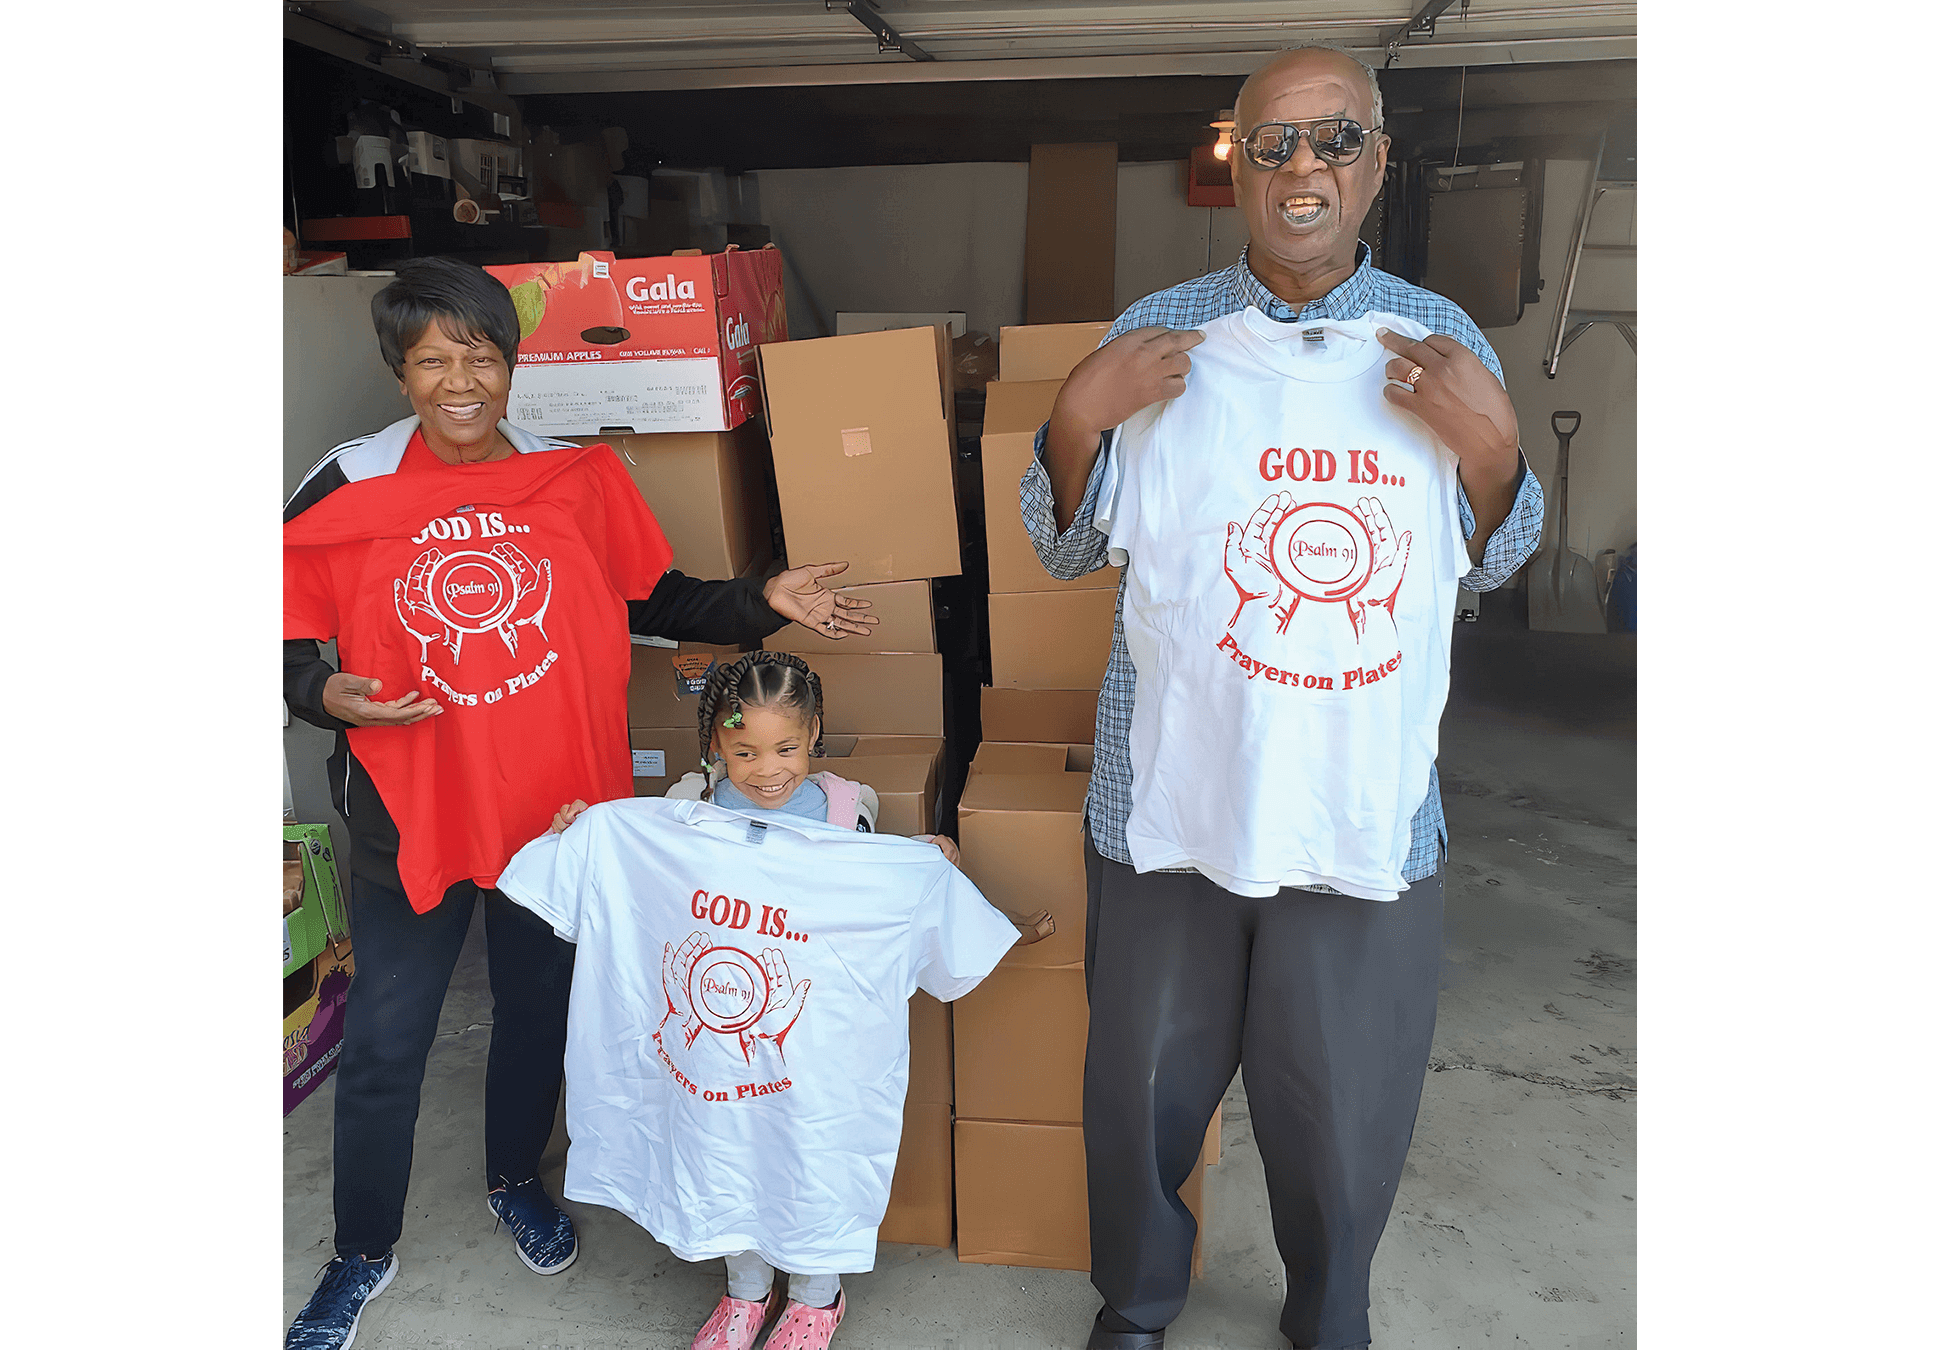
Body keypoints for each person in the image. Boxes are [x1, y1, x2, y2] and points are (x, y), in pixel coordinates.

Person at [1021, 45, 1547, 1350]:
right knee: (1141, 1086)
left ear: (1377, 162)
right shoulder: (1160, 335)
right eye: (1274, 144)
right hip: (1173, 797)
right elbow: (1066, 545)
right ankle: (1136, 1300)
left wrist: (1493, 458)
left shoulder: (1440, 339)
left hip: (1360, 809)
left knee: (1345, 1095)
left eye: (1333, 141)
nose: (1302, 168)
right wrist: (1079, 415)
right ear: (1234, 162)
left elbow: (1499, 549)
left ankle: (1332, 1308)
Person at [281, 257, 877, 1350]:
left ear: (512, 365)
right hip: (407, 809)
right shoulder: (348, 480)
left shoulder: (574, 478)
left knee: (535, 1017)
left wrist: (763, 600)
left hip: (559, 816)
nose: (458, 381)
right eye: (431, 360)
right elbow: (285, 635)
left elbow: (656, 593)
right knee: (382, 1046)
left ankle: (516, 1178)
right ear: (396, 370)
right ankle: (359, 1254)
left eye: (481, 356)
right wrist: (322, 692)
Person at [538, 651, 1052, 1350]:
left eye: (785, 747)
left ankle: (816, 1298)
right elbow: (635, 882)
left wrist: (924, 860)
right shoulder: (684, 811)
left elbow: (876, 892)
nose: (767, 768)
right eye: (743, 750)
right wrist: (582, 838)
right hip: (713, 1050)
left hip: (815, 1051)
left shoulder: (846, 811)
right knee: (723, 1151)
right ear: (714, 745)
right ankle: (745, 1292)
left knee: (809, 1156)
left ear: (814, 736)